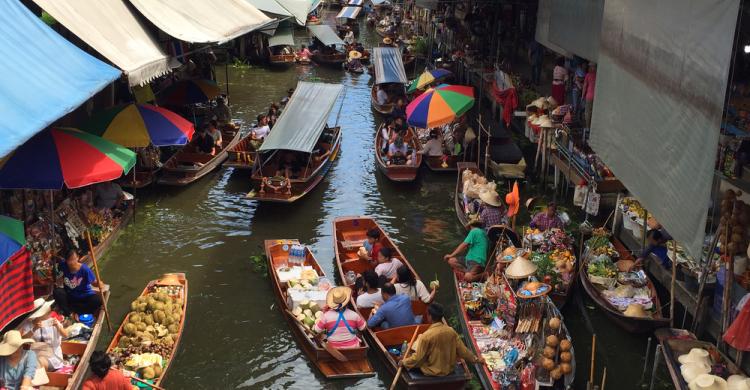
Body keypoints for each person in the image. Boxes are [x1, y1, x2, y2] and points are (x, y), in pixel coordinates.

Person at [401, 303, 483, 376]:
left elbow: (418, 359)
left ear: (429, 316)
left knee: (414, 348)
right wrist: (476, 359)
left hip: (431, 372)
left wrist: (404, 362)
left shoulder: (426, 336)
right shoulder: (451, 331)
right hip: (448, 371)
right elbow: (463, 351)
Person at [53, 249, 104, 318]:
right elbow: (58, 264)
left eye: (73, 259)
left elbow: (94, 283)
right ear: (66, 260)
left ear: (78, 257)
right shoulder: (63, 265)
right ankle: (70, 313)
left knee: (97, 300)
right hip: (71, 296)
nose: (71, 262)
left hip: (84, 296)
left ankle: (77, 312)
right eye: (69, 260)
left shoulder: (85, 270)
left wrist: (99, 284)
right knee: (57, 292)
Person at [20, 300, 67, 371]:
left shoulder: (54, 322)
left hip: (53, 356)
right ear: (39, 315)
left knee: (38, 362)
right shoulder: (28, 324)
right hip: (34, 355)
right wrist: (34, 329)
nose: (50, 312)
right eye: (47, 311)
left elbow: (65, 335)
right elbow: (22, 340)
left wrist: (58, 327)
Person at [582, 62, 597, 129]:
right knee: (593, 112)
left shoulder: (588, 75)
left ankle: (588, 127)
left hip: (589, 96)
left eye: (590, 66)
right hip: (596, 97)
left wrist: (582, 96)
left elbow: (585, 86)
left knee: (587, 112)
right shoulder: (597, 75)